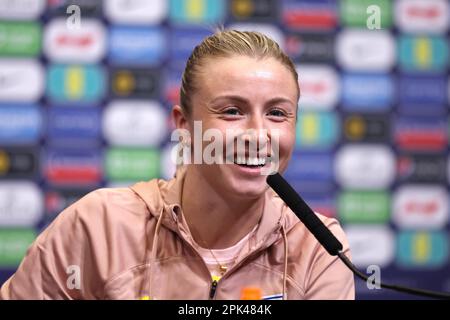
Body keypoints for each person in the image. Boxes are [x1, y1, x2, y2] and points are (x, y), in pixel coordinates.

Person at [0, 30, 354, 300]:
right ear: (184, 124)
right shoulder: (97, 226)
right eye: (232, 111)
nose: (258, 135)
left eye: (277, 114)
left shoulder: (318, 247)